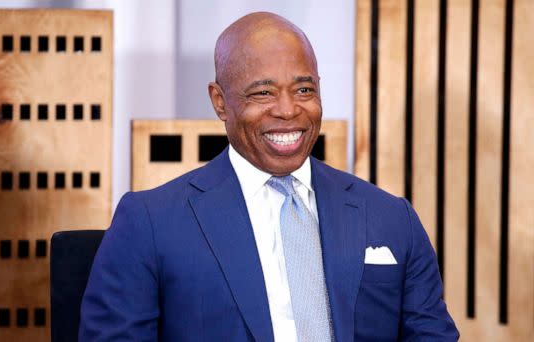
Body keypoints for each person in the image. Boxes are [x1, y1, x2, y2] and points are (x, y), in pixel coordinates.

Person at [80, 12, 459, 341]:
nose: (288, 109)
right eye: (262, 93)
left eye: (304, 89)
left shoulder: (392, 219)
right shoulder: (149, 222)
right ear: (219, 101)